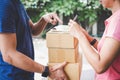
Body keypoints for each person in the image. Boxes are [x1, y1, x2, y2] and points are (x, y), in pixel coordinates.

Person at [0, 0, 68, 80]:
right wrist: (46, 70)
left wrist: (44, 19)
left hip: (26, 74)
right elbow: (8, 55)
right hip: (11, 76)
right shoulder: (4, 5)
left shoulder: (17, 3)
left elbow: (32, 30)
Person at [68, 0, 120, 80]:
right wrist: (89, 38)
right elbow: (108, 52)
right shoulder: (116, 18)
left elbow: (100, 66)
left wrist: (79, 35)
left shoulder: (118, 21)